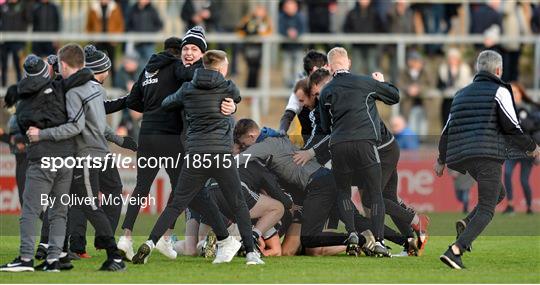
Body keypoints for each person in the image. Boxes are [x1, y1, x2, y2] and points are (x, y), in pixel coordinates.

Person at [131, 50, 264, 266]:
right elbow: (236, 96)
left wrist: (187, 107)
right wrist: (232, 105)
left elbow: (166, 104)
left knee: (176, 204)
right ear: (222, 68)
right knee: (238, 204)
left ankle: (151, 242)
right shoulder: (227, 86)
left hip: (195, 155)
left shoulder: (187, 88)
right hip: (221, 154)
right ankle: (251, 254)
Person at [118, 27, 237, 261]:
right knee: (192, 193)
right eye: (186, 48)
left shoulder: (155, 68)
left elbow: (135, 100)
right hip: (176, 139)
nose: (189, 53)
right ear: (179, 52)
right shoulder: (183, 71)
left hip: (150, 136)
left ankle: (128, 238)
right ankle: (220, 238)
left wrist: (150, 109)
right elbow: (213, 87)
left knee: (147, 189)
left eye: (194, 49)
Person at [25, 44, 128, 271]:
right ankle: (57, 257)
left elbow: (75, 126)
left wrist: (42, 133)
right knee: (63, 204)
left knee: (89, 205)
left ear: (63, 65)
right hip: (78, 155)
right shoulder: (89, 87)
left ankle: (114, 257)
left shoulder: (77, 90)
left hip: (86, 155)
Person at [435, 50, 540, 269]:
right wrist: (532, 148)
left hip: (463, 155)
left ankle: (465, 223)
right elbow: (512, 126)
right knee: (487, 208)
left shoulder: (460, 93)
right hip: (487, 154)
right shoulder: (500, 91)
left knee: (499, 193)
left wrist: (441, 159)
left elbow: (447, 130)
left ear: (478, 69)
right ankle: (455, 250)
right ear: (499, 70)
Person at [319, 47, 400, 256]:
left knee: (344, 191)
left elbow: (325, 126)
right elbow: (394, 96)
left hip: (338, 145)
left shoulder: (326, 92)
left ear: (329, 67)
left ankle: (353, 234)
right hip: (365, 143)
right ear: (349, 63)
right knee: (375, 193)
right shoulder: (364, 82)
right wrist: (381, 82)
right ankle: (379, 241)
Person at [503, 82, 540, 215]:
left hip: (527, 151)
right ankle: (510, 205)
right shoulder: (504, 109)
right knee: (506, 174)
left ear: (521, 94)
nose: (513, 95)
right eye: (510, 92)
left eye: (516, 92)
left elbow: (533, 128)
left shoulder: (528, 109)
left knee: (523, 180)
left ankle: (529, 206)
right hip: (512, 150)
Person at [86, 0, 125, 78]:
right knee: (96, 63)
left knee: (112, 63)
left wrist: (116, 39)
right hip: (98, 41)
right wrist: (92, 38)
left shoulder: (115, 7)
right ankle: (95, 82)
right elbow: (89, 25)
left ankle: (114, 83)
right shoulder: (94, 8)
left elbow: (120, 24)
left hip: (111, 40)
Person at [236, 4, 272, 88]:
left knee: (259, 71)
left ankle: (257, 91)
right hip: (249, 48)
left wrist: (260, 33)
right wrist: (248, 33)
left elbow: (269, 32)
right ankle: (250, 91)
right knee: (251, 70)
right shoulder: (248, 19)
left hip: (261, 49)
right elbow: (240, 30)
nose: (259, 13)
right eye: (258, 10)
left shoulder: (266, 21)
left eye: (261, 11)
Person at [437, 48, 473, 126]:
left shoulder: (465, 69)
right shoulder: (443, 69)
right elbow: (440, 85)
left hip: (461, 100)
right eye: (451, 58)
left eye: (454, 58)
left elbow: (466, 84)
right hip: (447, 100)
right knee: (446, 121)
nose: (452, 60)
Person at [0, 0, 32, 86]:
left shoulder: (23, 5)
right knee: (3, 66)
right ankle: (3, 88)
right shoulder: (3, 6)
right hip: (4, 41)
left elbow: (29, 20)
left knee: (18, 66)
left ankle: (20, 88)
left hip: (18, 41)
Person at [126, 0, 163, 65]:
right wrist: (133, 33)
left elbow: (159, 24)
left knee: (150, 65)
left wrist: (150, 33)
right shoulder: (132, 9)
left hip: (149, 44)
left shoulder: (152, 10)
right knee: (136, 66)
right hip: (136, 43)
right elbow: (128, 24)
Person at [278, 0, 306, 88]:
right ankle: (288, 95)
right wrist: (287, 33)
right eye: (288, 6)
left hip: (298, 49)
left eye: (292, 6)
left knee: (298, 73)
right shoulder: (281, 17)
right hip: (286, 49)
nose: (290, 8)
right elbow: (280, 29)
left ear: (296, 7)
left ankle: (298, 95)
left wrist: (296, 33)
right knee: (286, 75)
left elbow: (304, 29)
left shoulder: (300, 16)